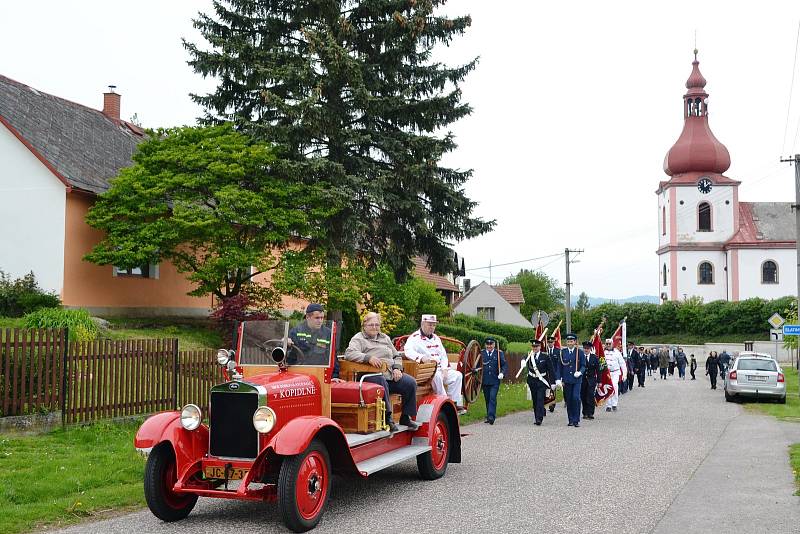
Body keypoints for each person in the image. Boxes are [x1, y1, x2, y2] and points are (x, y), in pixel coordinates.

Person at [344, 312, 419, 432]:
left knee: (410, 382)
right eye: (371, 325)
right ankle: (387, 418)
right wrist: (368, 358)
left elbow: (396, 356)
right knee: (381, 380)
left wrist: (397, 368)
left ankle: (406, 416)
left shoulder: (385, 337)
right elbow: (349, 353)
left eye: (377, 325)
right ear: (364, 325)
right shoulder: (359, 338)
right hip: (370, 375)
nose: (374, 327)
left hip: (390, 373)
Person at [403, 314, 466, 413]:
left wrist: (445, 368)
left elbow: (443, 355)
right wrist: (421, 358)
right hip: (428, 370)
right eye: (429, 324)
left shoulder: (436, 338)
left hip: (441, 368)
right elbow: (408, 351)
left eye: (434, 325)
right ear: (422, 324)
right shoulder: (414, 338)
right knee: (437, 377)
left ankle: (455, 402)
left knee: (457, 376)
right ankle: (444, 402)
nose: (432, 327)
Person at [556, 333, 586, 427]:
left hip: (577, 380)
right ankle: (571, 420)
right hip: (566, 380)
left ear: (575, 342)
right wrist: (558, 379)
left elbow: (583, 365)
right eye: (568, 341)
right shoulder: (562, 352)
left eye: (571, 341)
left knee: (576, 398)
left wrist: (580, 372)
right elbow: (559, 367)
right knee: (568, 400)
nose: (570, 343)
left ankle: (576, 420)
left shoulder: (579, 352)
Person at [524, 338, 556, 425]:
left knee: (540, 399)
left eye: (536, 346)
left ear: (540, 346)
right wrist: (523, 361)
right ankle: (536, 417)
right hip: (532, 381)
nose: (534, 348)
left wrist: (553, 382)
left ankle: (539, 418)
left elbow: (551, 370)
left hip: (542, 381)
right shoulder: (529, 355)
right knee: (535, 400)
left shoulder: (545, 357)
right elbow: (524, 359)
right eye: (533, 346)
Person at [480, 337, 507, 425]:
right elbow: (477, 366)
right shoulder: (482, 353)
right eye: (487, 344)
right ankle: (489, 416)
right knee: (487, 399)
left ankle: (491, 417)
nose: (489, 346)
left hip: (495, 380)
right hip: (485, 380)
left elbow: (504, 365)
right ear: (485, 345)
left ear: (494, 345)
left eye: (491, 344)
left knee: (492, 397)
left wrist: (502, 373)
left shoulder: (499, 353)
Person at [603, 338, 626, 412]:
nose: (608, 345)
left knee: (615, 386)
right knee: (607, 388)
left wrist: (624, 374)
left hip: (615, 372)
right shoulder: (603, 352)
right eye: (607, 344)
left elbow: (622, 364)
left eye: (610, 344)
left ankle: (614, 404)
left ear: (612, 344)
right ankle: (608, 405)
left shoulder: (617, 352)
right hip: (606, 373)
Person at [581, 340, 599, 420]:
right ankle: (585, 413)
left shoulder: (594, 357)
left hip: (591, 380)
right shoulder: (580, 357)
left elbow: (598, 370)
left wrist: (599, 381)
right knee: (583, 397)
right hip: (582, 380)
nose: (586, 350)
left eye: (587, 348)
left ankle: (590, 413)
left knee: (590, 396)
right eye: (585, 348)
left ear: (590, 349)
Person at [546, 335, 560, 414]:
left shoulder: (558, 351)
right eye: (549, 342)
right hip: (545, 373)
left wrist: (559, 377)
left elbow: (559, 364)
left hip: (554, 374)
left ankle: (552, 404)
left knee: (552, 389)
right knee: (545, 389)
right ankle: (544, 404)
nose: (550, 343)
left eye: (551, 342)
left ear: (554, 342)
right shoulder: (545, 350)